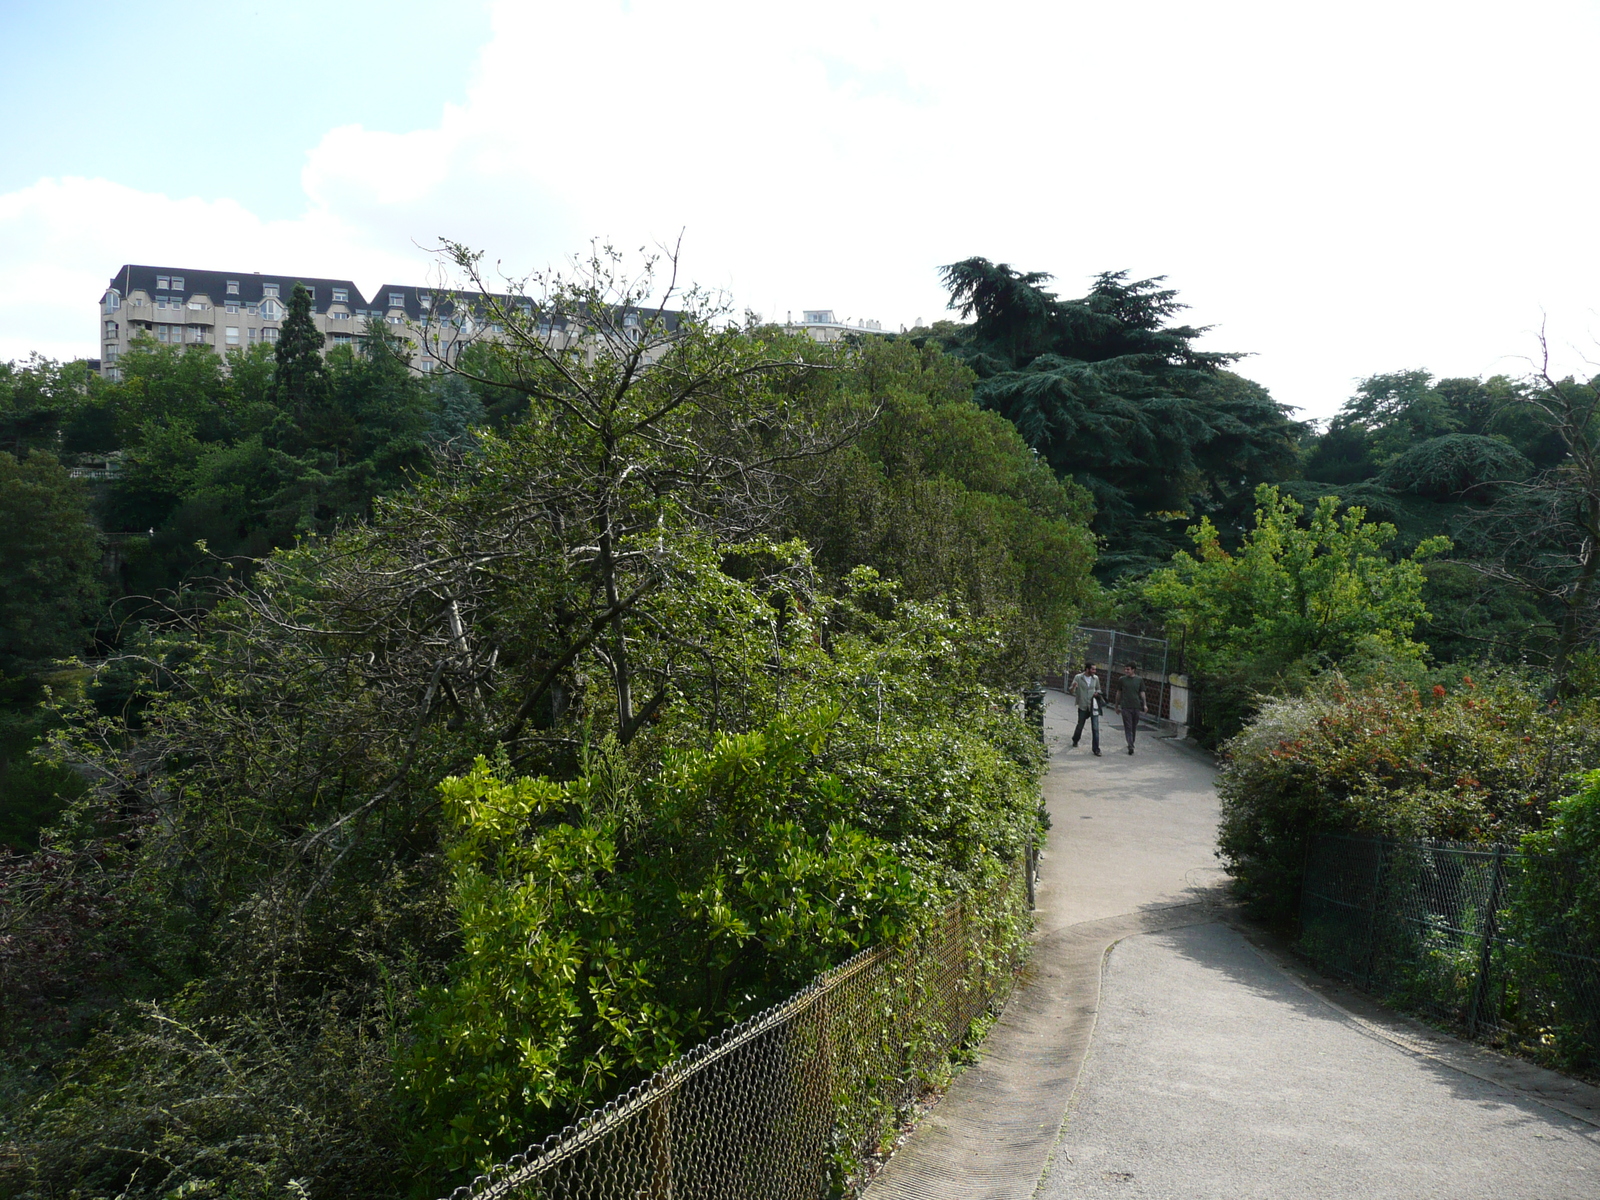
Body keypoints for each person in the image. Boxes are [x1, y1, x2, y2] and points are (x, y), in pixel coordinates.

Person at [1068, 661, 1102, 755]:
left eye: (1095, 669)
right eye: (1093, 669)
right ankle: (1075, 739)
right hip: (1083, 705)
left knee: (1095, 728)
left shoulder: (1095, 678)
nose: (1094, 671)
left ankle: (1096, 749)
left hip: (1093, 706)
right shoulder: (1078, 677)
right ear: (1087, 669)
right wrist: (1074, 687)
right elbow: (1071, 690)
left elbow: (1098, 689)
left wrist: (1097, 693)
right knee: (1080, 725)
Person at [1117, 662, 1147, 754]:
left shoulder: (1139, 680)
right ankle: (1130, 745)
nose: (1126, 671)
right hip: (1125, 706)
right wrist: (1116, 705)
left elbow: (1142, 692)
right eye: (1125, 669)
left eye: (1128, 669)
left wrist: (1145, 704)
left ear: (1133, 669)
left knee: (1134, 726)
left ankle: (1131, 742)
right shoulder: (1122, 679)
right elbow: (1118, 692)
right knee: (1128, 726)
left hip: (1136, 706)